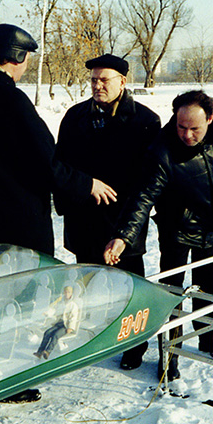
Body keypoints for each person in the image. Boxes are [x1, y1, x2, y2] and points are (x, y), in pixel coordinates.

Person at [0, 24, 116, 403]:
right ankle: (10, 379)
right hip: (17, 222)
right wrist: (87, 184)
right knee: (17, 303)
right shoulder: (10, 100)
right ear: (17, 57)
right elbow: (46, 162)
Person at [104, 90, 213, 380]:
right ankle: (170, 354)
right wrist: (123, 236)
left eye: (194, 128)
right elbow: (142, 197)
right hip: (177, 230)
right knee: (172, 293)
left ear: (211, 118)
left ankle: (207, 337)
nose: (187, 135)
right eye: (181, 127)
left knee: (210, 287)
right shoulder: (162, 151)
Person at [53, 53, 160, 371]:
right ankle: (91, 339)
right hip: (84, 217)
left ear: (122, 82)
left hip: (122, 220)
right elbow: (60, 166)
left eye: (105, 79)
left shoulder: (145, 121)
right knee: (87, 287)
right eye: (94, 80)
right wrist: (78, 193)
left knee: (130, 287)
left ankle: (134, 344)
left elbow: (147, 181)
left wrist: (127, 229)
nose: (98, 85)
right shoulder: (74, 117)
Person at [33, 285, 81, 360]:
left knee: (55, 335)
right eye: (65, 292)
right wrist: (47, 313)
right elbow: (54, 310)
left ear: (71, 294)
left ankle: (47, 352)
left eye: (68, 292)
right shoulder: (61, 303)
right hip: (58, 323)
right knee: (47, 332)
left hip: (66, 326)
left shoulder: (73, 305)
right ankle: (40, 352)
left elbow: (74, 318)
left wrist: (70, 327)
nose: (66, 294)